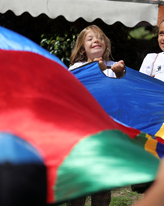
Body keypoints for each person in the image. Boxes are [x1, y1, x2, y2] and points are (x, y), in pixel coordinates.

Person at [68, 25, 125, 206]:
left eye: (100, 37)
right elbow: (72, 89)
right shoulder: (76, 68)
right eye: (90, 39)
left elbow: (124, 91)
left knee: (102, 183)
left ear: (106, 45)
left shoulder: (112, 66)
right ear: (82, 48)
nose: (96, 41)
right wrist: (95, 70)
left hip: (106, 132)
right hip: (81, 133)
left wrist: (120, 73)